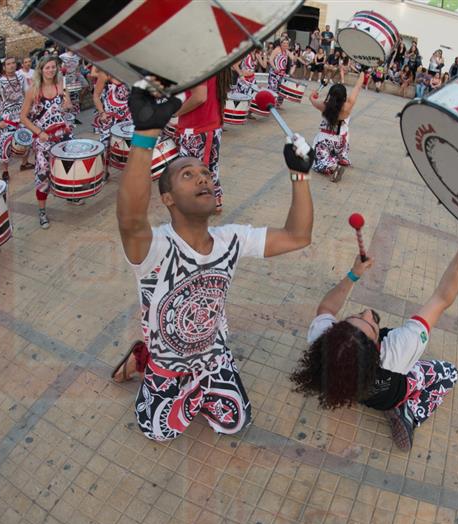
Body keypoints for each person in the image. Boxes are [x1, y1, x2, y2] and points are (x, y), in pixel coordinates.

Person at [110, 84, 314, 442]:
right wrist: (144, 138)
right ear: (168, 199)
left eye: (204, 172)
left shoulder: (231, 239)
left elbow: (298, 236)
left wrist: (300, 175)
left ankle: (199, 386)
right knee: (157, 431)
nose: (203, 176)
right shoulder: (154, 248)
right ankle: (144, 359)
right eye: (188, 175)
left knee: (237, 420)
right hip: (169, 365)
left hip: (211, 355)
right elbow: (130, 218)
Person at [291, 221, 458, 450]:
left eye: (355, 316)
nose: (366, 312)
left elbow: (325, 309)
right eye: (372, 326)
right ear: (377, 350)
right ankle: (409, 410)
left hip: (358, 390)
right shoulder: (400, 349)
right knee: (450, 373)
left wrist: (354, 274)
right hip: (392, 396)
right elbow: (442, 298)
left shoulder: (324, 346)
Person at [20, 55, 74, 228]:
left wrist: (67, 105)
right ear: (41, 70)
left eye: (53, 67)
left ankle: (71, 196)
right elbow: (23, 117)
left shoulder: (61, 86)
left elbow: (68, 107)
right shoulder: (33, 91)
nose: (51, 70)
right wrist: (38, 132)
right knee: (43, 173)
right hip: (43, 138)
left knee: (68, 166)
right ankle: (42, 211)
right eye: (47, 67)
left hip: (62, 134)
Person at [174, 69, 229, 212]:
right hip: (206, 125)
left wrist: (175, 112)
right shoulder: (211, 61)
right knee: (208, 169)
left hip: (200, 127)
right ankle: (213, 203)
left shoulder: (199, 62)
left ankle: (202, 206)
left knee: (195, 172)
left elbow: (199, 96)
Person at [310, 70, 365, 182]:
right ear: (344, 97)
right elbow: (358, 87)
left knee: (316, 162)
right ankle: (342, 157)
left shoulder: (323, 105)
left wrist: (313, 94)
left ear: (330, 95)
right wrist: (362, 73)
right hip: (341, 142)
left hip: (325, 141)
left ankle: (333, 165)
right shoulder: (348, 105)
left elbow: (312, 99)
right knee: (344, 136)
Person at [0, 57, 32, 183]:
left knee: (27, 139)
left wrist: (28, 110)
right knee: (5, 144)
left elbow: (26, 94)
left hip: (21, 115)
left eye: (13, 63)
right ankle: (5, 171)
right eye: (8, 64)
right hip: (7, 118)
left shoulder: (21, 78)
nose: (11, 66)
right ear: (4, 67)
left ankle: (24, 163)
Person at [91, 67, 129, 181]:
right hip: (109, 117)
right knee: (106, 144)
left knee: (130, 145)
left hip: (128, 116)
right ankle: (104, 170)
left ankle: (131, 171)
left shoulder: (130, 72)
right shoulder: (105, 73)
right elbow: (96, 96)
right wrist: (102, 113)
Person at [268, 37, 292, 107]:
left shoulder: (287, 51)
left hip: (282, 74)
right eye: (284, 43)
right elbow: (270, 60)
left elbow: (293, 58)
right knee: (273, 89)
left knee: (282, 89)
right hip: (274, 73)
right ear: (281, 44)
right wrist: (275, 67)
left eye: (287, 43)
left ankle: (277, 103)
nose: (286, 44)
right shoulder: (277, 49)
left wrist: (295, 53)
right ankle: (271, 103)